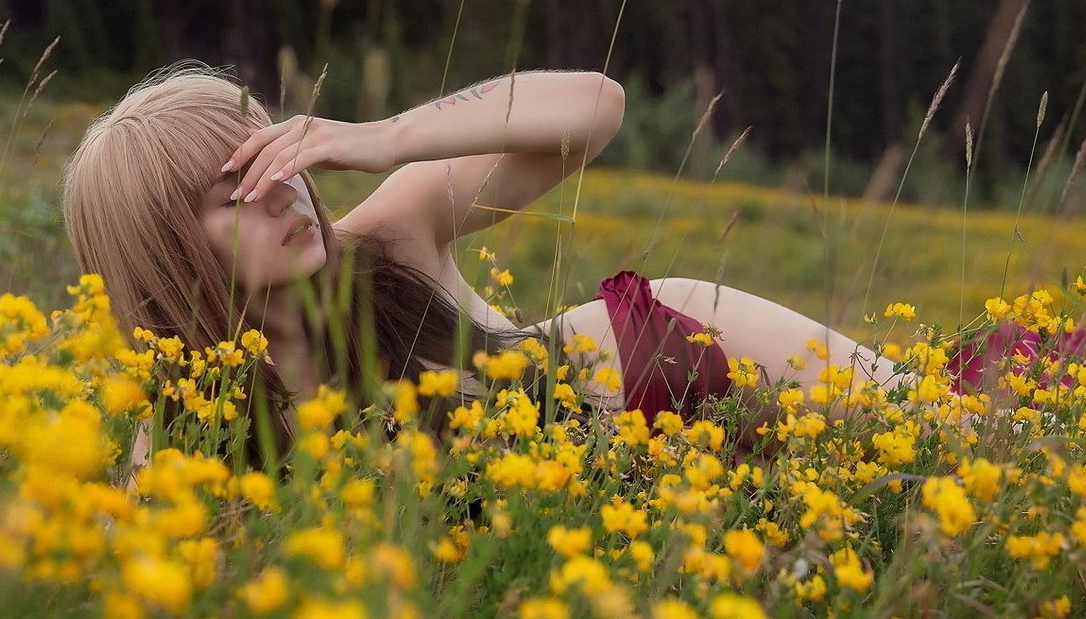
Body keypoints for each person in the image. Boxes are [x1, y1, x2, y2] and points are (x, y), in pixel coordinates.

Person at [59, 61, 907, 472]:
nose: (282, 192)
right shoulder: (185, 445)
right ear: (164, 253)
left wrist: (381, 138)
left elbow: (594, 109)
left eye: (277, 157)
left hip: (686, 357)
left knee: (959, 430)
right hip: (676, 507)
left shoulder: (385, 235)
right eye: (234, 189)